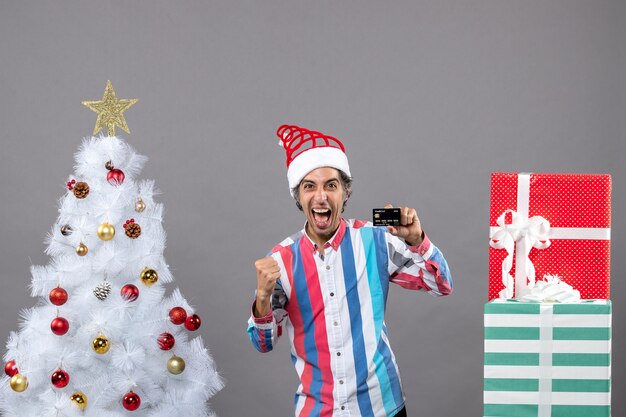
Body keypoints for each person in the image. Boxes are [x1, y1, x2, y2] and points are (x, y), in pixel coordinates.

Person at [247, 124, 453, 417]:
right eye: (310, 186)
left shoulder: (377, 240)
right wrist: (262, 297)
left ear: (345, 193)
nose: (321, 197)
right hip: (319, 410)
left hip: (383, 407)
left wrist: (418, 241)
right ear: (299, 197)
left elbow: (441, 284)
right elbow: (262, 343)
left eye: (331, 185)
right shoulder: (280, 260)